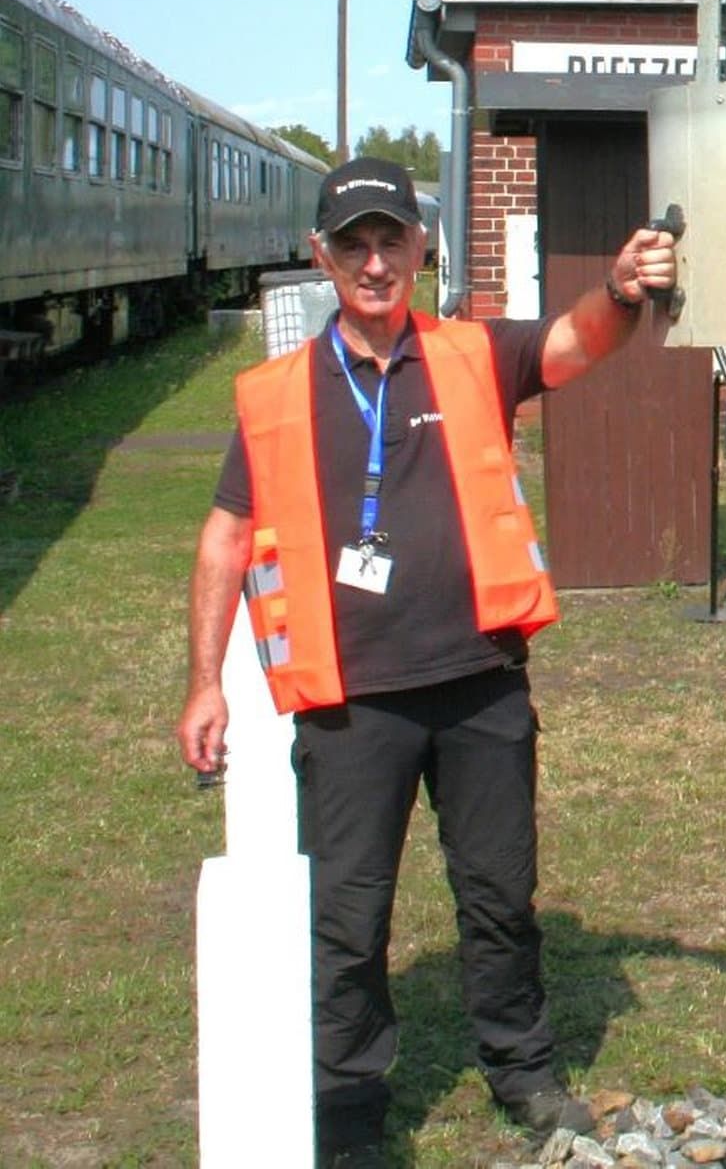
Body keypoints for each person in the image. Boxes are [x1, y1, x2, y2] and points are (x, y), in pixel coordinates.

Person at [176, 156, 678, 1165]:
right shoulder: (275, 397)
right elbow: (224, 538)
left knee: (500, 897)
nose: (373, 262)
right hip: (350, 704)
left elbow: (577, 341)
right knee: (347, 919)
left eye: (390, 240)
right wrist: (201, 682)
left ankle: (524, 1068)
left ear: (421, 250)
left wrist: (622, 289)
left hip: (480, 684)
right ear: (321, 256)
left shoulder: (470, 353)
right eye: (352, 243)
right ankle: (351, 1104)